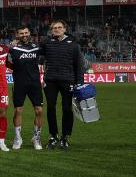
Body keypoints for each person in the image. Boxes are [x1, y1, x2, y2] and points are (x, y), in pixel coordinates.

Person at [39, 20, 85, 150]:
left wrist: (79, 82)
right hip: (50, 80)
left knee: (67, 109)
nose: (57, 29)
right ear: (51, 30)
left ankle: (65, 137)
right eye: (54, 28)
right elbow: (35, 54)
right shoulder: (46, 43)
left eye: (59, 27)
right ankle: (53, 136)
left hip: (68, 80)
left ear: (65, 29)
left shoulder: (74, 45)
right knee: (51, 108)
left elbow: (79, 65)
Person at [7, 25, 44, 150]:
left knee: (39, 111)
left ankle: (36, 138)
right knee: (18, 111)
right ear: (17, 34)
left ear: (29, 33)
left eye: (26, 32)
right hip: (19, 84)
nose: (24, 35)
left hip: (35, 84)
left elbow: (50, 55)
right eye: (21, 33)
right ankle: (18, 138)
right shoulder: (12, 48)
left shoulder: (37, 47)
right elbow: (0, 53)